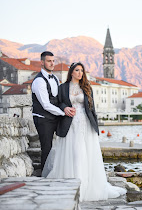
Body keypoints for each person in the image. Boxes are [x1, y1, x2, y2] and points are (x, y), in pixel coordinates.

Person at [42, 62, 126, 201]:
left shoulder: (87, 87)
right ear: (71, 72)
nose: (80, 73)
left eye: (82, 70)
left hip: (85, 124)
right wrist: (65, 108)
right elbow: (58, 102)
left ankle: (86, 186)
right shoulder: (62, 88)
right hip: (69, 124)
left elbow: (91, 108)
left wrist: (95, 126)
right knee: (73, 152)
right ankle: (71, 184)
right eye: (77, 70)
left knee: (85, 153)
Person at [31, 51, 76, 172]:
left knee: (67, 141)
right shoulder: (39, 81)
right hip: (42, 118)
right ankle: (45, 176)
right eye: (48, 61)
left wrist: (67, 108)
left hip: (56, 116)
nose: (52, 63)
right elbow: (45, 104)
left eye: (53, 61)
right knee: (47, 148)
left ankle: (62, 170)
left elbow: (58, 99)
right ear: (42, 62)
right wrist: (63, 112)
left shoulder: (55, 78)